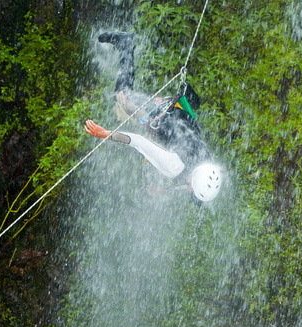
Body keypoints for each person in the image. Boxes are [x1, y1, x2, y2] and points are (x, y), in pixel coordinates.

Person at [84, 31, 222, 204]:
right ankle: (126, 45)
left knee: (126, 103)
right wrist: (106, 134)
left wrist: (166, 189)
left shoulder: (206, 164)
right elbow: (139, 142)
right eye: (191, 190)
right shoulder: (175, 167)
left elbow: (186, 178)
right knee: (122, 97)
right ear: (193, 182)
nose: (188, 191)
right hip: (157, 115)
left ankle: (126, 47)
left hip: (176, 112)